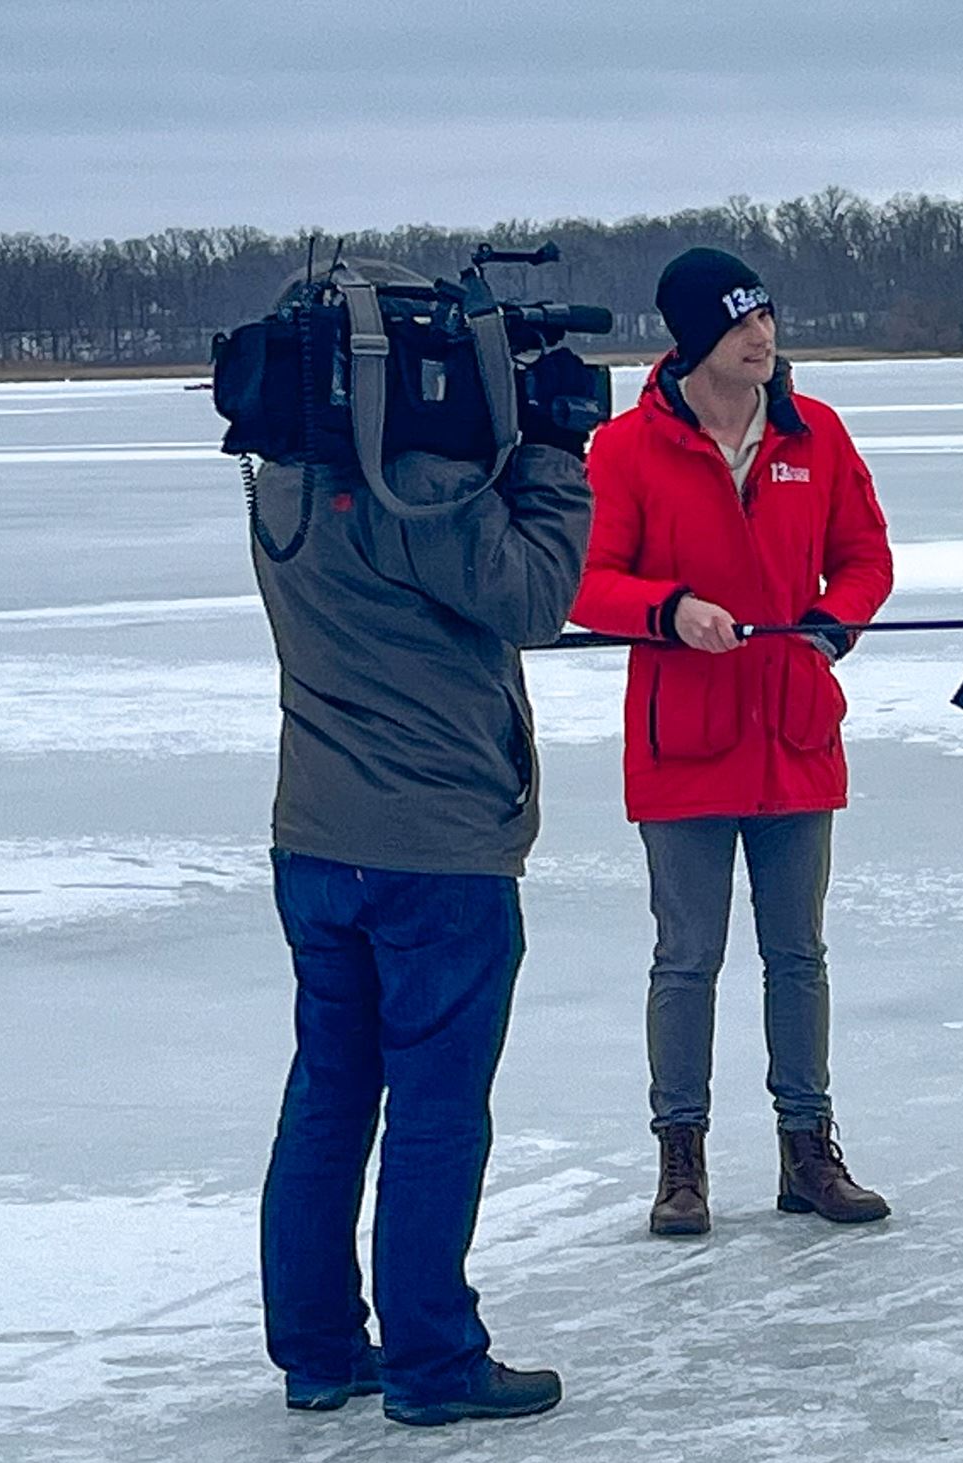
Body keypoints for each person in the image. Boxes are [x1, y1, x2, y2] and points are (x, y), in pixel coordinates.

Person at [248, 371, 592, 1423]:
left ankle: (316, 1348)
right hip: (437, 852)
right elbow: (535, 597)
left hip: (315, 841)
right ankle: (432, 1360)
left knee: (328, 1095)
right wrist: (550, 454)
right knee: (436, 1112)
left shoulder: (283, 487)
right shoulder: (427, 492)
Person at [571, 247, 897, 1237]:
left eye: (766, 317)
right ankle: (681, 1160)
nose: (762, 336)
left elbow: (864, 555)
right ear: (691, 338)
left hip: (793, 735)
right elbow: (588, 581)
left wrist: (834, 619)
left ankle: (809, 1148)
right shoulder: (626, 449)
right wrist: (668, 611)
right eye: (740, 322)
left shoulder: (816, 434)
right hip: (686, 743)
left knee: (797, 953)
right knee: (687, 956)